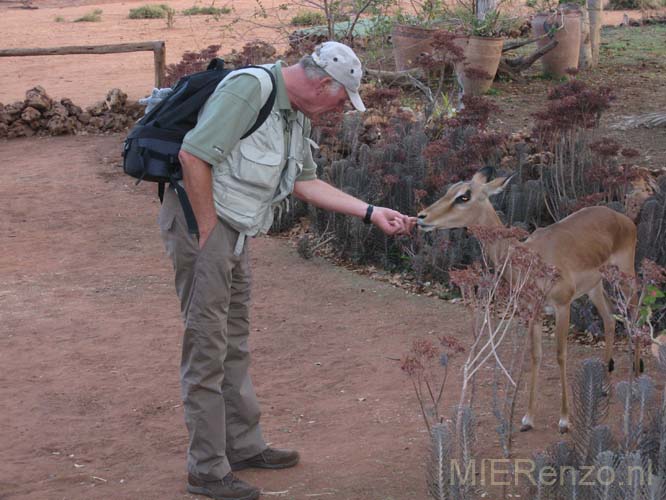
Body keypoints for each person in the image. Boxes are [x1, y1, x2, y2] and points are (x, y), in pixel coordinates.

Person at [158, 41, 416, 500]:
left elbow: (304, 181)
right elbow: (193, 156)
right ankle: (207, 469)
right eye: (340, 98)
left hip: (235, 231)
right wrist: (207, 232)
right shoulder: (249, 90)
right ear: (321, 83)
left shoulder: (294, 113)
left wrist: (370, 210)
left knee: (232, 340)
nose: (339, 109)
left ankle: (242, 445)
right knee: (206, 344)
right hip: (208, 227)